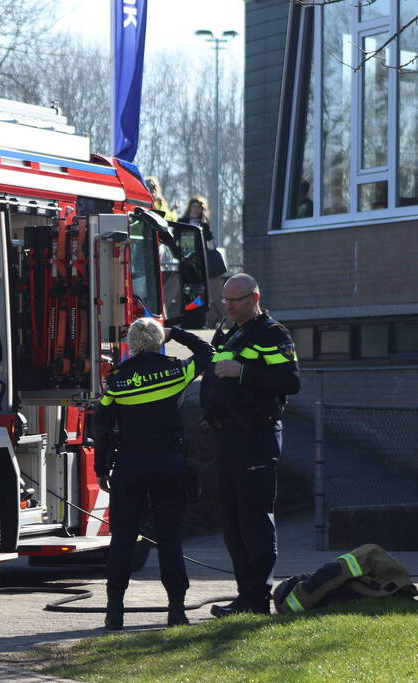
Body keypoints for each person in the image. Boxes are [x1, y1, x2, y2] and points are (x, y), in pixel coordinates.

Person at [94, 317, 214, 630]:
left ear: (131, 345)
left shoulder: (117, 380)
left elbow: (102, 426)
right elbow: (207, 352)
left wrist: (100, 468)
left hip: (130, 465)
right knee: (170, 538)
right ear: (159, 341)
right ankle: (176, 611)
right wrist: (177, 332)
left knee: (122, 538)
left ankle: (114, 611)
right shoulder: (177, 371)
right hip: (168, 464)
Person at [200, 273, 300, 617]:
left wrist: (242, 372)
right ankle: (245, 596)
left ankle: (257, 599)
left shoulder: (272, 334)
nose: (227, 306)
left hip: (255, 437)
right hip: (227, 437)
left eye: (235, 300)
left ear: (253, 298)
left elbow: (290, 381)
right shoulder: (231, 333)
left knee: (254, 518)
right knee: (232, 521)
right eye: (225, 300)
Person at [273, 544, 416, 615]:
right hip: (392, 586)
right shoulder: (371, 552)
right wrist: (288, 609)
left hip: (392, 587)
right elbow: (333, 570)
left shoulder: (328, 593)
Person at [180, 196, 228, 327]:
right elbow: (176, 239)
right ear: (189, 207)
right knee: (187, 291)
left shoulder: (204, 224)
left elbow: (209, 242)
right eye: (194, 207)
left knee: (204, 292)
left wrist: (204, 224)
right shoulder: (182, 222)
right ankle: (189, 317)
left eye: (199, 208)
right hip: (186, 262)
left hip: (202, 263)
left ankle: (202, 318)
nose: (196, 210)